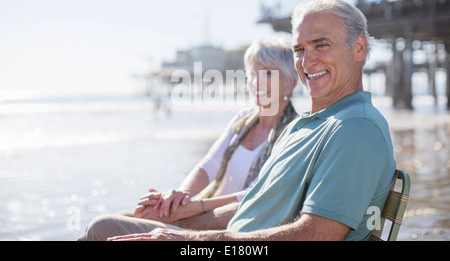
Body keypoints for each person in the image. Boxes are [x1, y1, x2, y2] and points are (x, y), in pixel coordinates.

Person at [109, 0, 397, 242]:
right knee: (118, 223)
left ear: (359, 48)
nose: (307, 62)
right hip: (233, 237)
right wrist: (181, 216)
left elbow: (316, 233)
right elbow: (252, 203)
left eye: (321, 45)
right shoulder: (306, 125)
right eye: (299, 49)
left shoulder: (355, 127)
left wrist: (193, 239)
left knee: (102, 228)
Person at [78, 38, 299, 240]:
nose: (256, 81)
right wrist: (178, 199)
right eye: (252, 73)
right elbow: (208, 165)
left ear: (290, 83)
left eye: (268, 73)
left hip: (224, 228)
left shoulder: (294, 132)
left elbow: (255, 193)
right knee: (122, 216)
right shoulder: (243, 119)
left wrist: (195, 207)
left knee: (103, 226)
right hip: (202, 213)